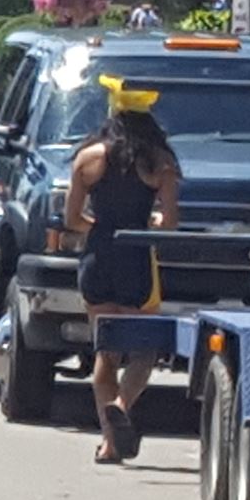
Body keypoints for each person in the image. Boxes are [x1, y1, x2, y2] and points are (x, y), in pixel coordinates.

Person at [68, 78, 180, 463]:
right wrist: (146, 223)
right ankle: (121, 403)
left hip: (98, 256)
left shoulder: (88, 158)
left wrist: (98, 229)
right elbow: (168, 224)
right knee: (144, 350)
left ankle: (109, 441)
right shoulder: (160, 162)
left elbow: (72, 218)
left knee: (106, 350)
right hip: (136, 257)